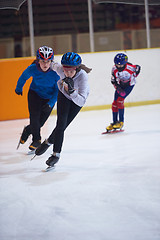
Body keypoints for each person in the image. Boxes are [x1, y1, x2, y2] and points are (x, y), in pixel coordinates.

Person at [35, 52, 91, 168]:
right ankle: (56, 155)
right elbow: (51, 64)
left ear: (77, 68)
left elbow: (81, 101)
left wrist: (72, 92)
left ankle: (48, 142)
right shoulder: (60, 69)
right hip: (64, 96)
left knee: (64, 126)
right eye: (66, 71)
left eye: (71, 71)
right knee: (60, 125)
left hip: (77, 100)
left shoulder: (83, 76)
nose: (68, 74)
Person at [15, 46, 60, 151]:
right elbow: (23, 77)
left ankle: (27, 130)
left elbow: (58, 90)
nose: (45, 64)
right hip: (34, 94)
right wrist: (18, 88)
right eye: (42, 61)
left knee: (40, 123)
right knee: (34, 118)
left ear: (51, 61)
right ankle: (36, 140)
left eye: (48, 61)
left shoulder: (56, 72)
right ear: (38, 60)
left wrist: (51, 103)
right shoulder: (32, 68)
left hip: (49, 99)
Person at [106, 53, 141, 131]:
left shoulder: (130, 68)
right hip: (120, 86)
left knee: (120, 101)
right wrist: (118, 88)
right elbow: (113, 80)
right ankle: (115, 122)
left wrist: (137, 69)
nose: (119, 67)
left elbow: (137, 69)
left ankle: (121, 122)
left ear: (125, 63)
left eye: (121, 65)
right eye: (117, 65)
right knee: (114, 104)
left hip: (129, 85)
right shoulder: (114, 68)